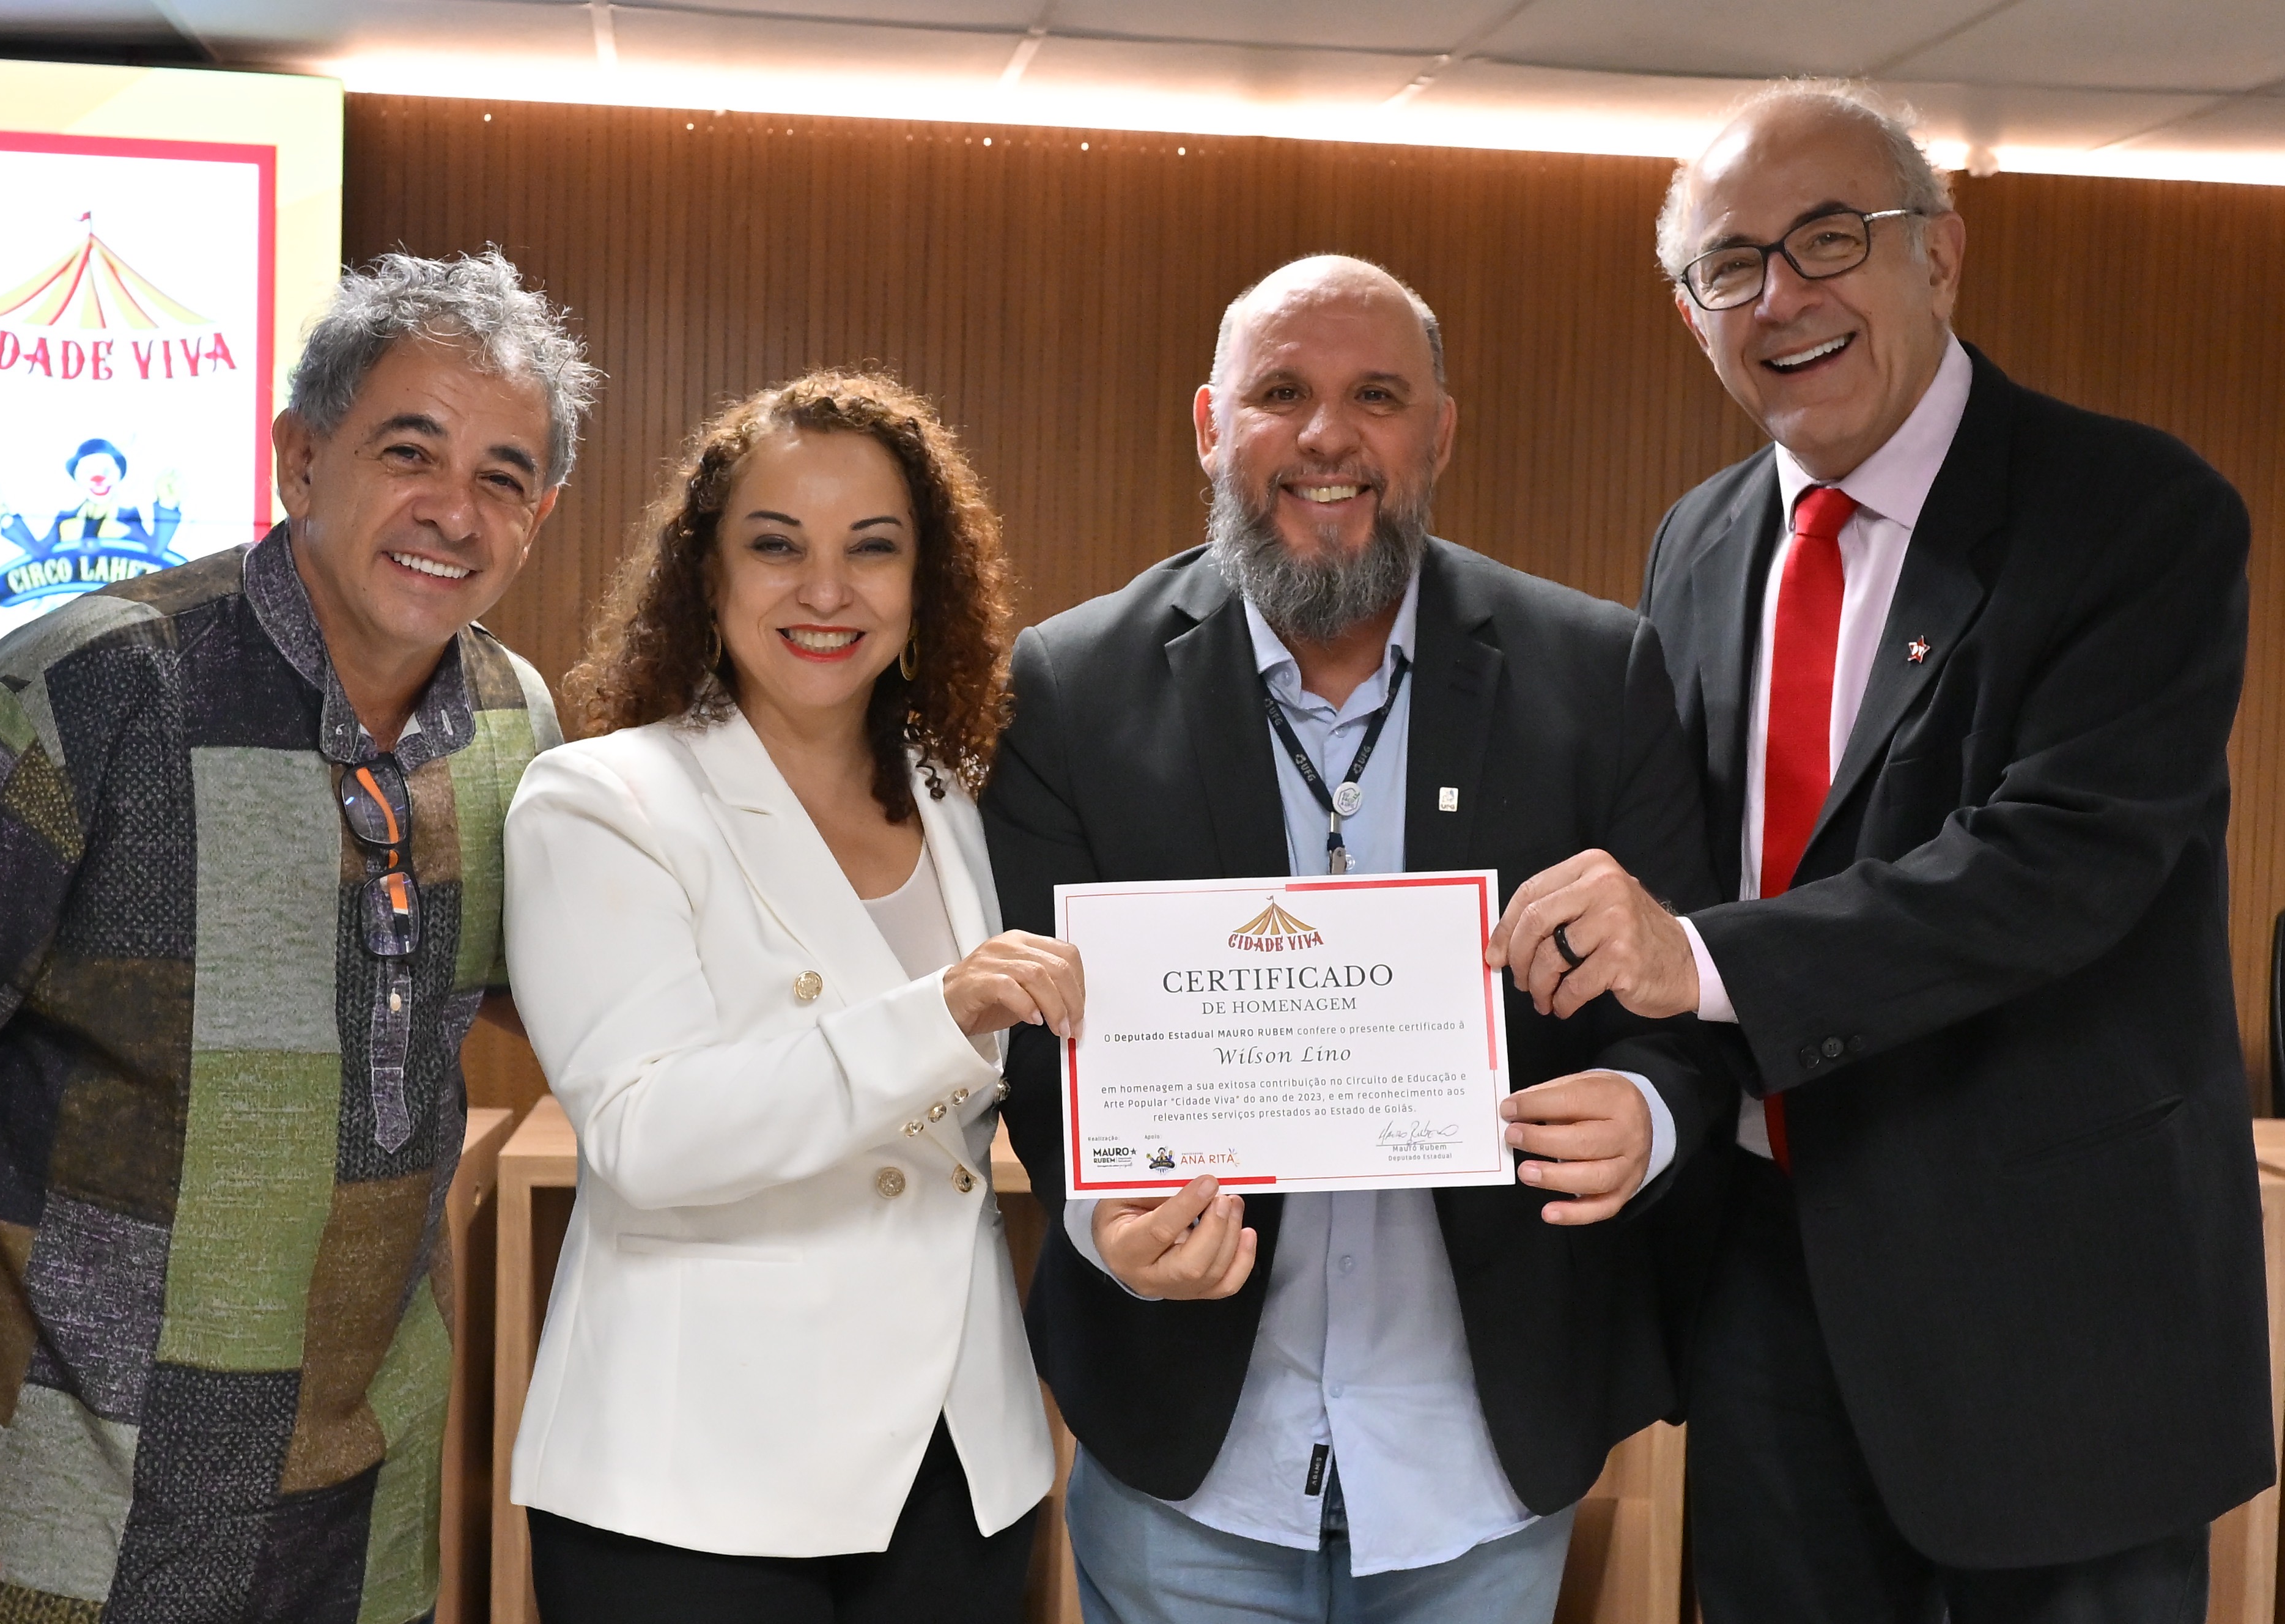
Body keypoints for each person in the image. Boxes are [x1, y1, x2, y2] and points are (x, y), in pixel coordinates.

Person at [1486, 80, 2273, 1622]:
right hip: (1770, 1289)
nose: (1784, 294)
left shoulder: (2134, 514)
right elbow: (1687, 856)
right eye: (1731, 265)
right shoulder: (1700, 542)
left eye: (1831, 237)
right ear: (1694, 316)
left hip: (2057, 1319)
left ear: (1942, 254)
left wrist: (1693, 954)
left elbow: (2057, 868)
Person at [980, 254, 1736, 1624]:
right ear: (1211, 425)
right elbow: (1043, 1055)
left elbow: (1680, 1010)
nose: (1327, 436)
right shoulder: (1070, 688)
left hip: (1479, 1466)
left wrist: (1648, 1114)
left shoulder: (1597, 674)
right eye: (1282, 392)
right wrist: (1105, 1220)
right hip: (1187, 1460)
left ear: (1438, 432)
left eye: (1377, 396)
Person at [0, 247, 592, 1624]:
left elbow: (536, 1004)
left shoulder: (515, 724)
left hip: (355, 1528)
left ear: (539, 517)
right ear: (301, 460)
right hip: (42, 1513)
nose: (453, 509)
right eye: (409, 451)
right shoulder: (85, 687)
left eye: (504, 477)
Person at [502, 371, 1076, 1623]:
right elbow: (646, 1134)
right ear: (706, 576)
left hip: (956, 1469)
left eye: (873, 548)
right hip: (696, 1482)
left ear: (923, 583)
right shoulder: (601, 800)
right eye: (777, 546)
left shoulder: (956, 795)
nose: (827, 590)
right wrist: (939, 1013)